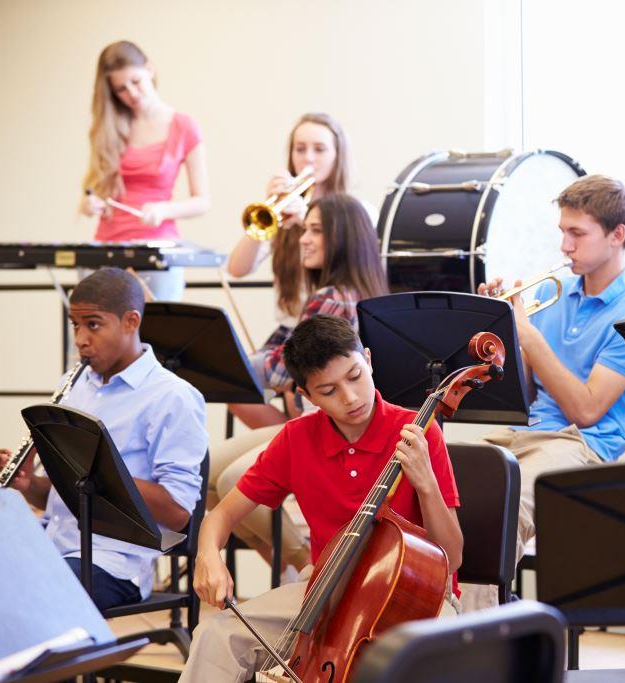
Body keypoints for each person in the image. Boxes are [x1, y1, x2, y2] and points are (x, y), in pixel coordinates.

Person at [179, 315, 462, 682]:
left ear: (369, 360)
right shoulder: (296, 439)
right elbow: (221, 516)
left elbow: (453, 557)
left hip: (417, 597)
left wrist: (426, 484)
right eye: (328, 391)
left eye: (355, 376)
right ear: (305, 395)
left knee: (412, 663)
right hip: (326, 591)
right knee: (216, 635)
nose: (349, 397)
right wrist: (208, 556)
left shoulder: (417, 432)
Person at [460, 174, 625, 611]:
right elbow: (524, 393)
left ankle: (466, 647)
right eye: (563, 233)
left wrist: (527, 335)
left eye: (577, 234)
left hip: (581, 447)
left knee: (496, 514)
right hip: (525, 434)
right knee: (437, 486)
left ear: (617, 235)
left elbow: (585, 410)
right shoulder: (558, 296)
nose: (565, 246)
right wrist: (504, 331)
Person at [0, 268, 207, 610]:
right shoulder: (73, 385)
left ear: (131, 321)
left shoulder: (171, 396)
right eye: (75, 325)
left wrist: (101, 477)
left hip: (114, 564)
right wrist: (31, 484)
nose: (80, 339)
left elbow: (178, 512)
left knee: (22, 596)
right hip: (53, 545)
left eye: (93, 324)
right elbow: (71, 500)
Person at [210, 193, 388, 579]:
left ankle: (305, 562)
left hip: (325, 423)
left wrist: (224, 361)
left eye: (315, 231)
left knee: (226, 480)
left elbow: (275, 368)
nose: (303, 239)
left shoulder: (332, 297)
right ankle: (293, 573)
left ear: (343, 239)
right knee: (209, 474)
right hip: (309, 417)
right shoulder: (352, 289)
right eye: (304, 229)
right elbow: (283, 357)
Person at [226, 112, 356, 408]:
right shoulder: (282, 209)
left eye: (319, 149)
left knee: (297, 397)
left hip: (328, 331)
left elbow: (345, 279)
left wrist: (305, 220)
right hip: (289, 329)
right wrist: (269, 206)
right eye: (300, 149)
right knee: (232, 389)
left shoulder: (353, 211)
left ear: (338, 156)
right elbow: (237, 268)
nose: (308, 158)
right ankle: (281, 443)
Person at [79, 41, 210, 301]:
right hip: (108, 245)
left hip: (156, 248)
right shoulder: (109, 129)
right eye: (121, 89)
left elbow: (203, 201)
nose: (132, 94)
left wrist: (163, 210)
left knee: (159, 333)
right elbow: (97, 190)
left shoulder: (184, 126)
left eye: (135, 82)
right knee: (96, 336)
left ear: (149, 70)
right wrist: (89, 204)